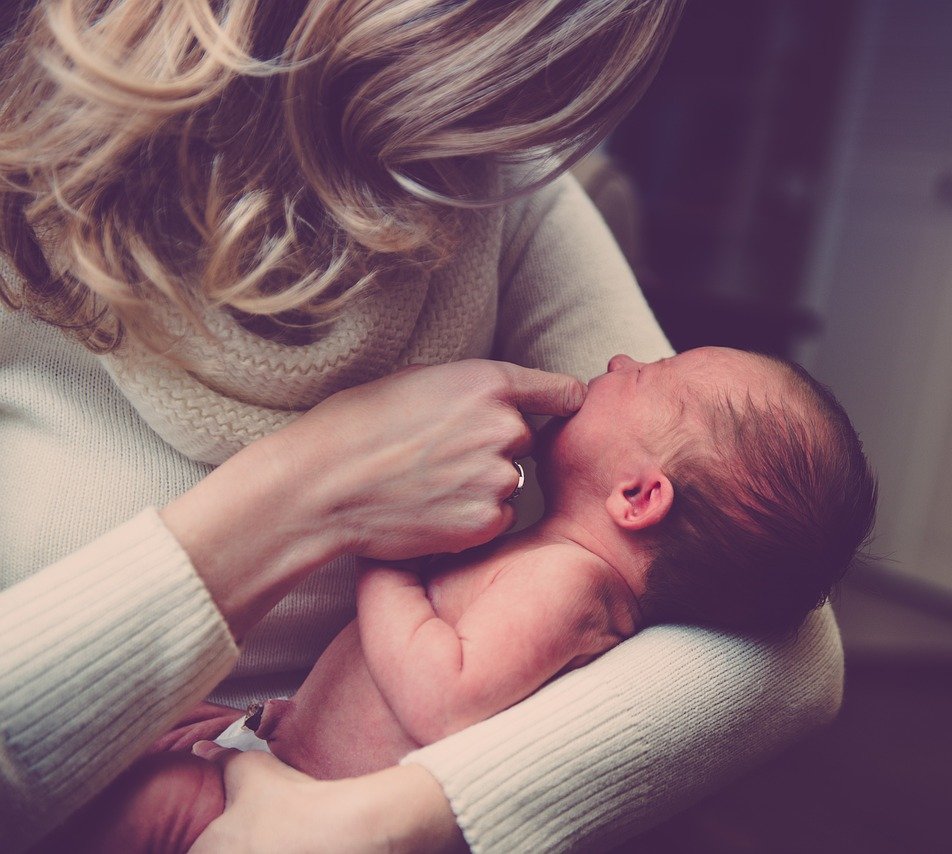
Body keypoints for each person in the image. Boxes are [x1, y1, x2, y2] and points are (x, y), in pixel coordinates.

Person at [0, 3, 846, 852]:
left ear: (640, 494)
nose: (621, 365)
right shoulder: (25, 170)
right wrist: (326, 489)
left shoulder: (502, 184)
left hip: (289, 785)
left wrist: (381, 823)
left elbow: (793, 652)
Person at [53, 347, 877, 850]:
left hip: (308, 809)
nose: (622, 361)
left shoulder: (567, 585)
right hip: (287, 750)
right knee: (147, 748)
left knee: (144, 804)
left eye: (651, 376)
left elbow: (445, 700)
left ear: (638, 496)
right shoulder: (556, 562)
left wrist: (386, 559)